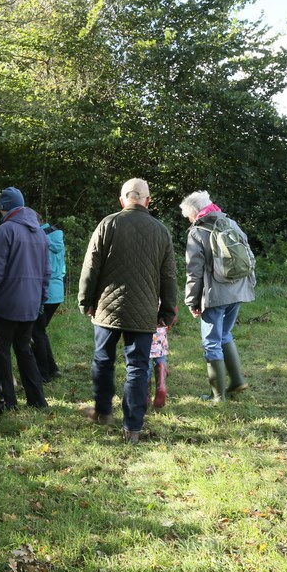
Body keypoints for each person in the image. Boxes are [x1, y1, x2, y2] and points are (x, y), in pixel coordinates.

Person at [78, 178, 177, 444]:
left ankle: (102, 412)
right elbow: (168, 277)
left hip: (107, 309)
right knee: (137, 367)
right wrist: (167, 311)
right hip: (144, 312)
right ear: (147, 200)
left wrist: (85, 299)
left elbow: (91, 267)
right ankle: (132, 428)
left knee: (103, 361)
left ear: (122, 200)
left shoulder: (107, 224)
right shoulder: (161, 231)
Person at [0, 187, 50, 413]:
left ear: (4, 208)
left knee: (0, 352)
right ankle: (37, 399)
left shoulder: (6, 230)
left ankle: (6, 402)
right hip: (30, 305)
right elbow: (46, 272)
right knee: (24, 350)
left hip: (7, 304)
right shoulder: (40, 232)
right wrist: (41, 300)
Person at [179, 190, 254, 401]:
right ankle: (238, 381)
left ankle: (217, 397)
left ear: (195, 213)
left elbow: (193, 271)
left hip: (215, 295)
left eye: (188, 216)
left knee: (211, 342)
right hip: (238, 290)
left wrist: (192, 301)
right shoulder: (230, 223)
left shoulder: (197, 232)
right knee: (224, 335)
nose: (189, 220)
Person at [30, 215, 65, 382]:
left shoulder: (38, 239)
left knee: (36, 332)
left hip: (43, 292)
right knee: (40, 331)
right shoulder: (57, 235)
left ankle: (42, 373)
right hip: (57, 292)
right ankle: (52, 368)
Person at [148, 323, 169, 408]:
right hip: (159, 326)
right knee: (160, 356)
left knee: (144, 360)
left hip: (142, 328)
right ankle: (161, 384)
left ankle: (145, 395)